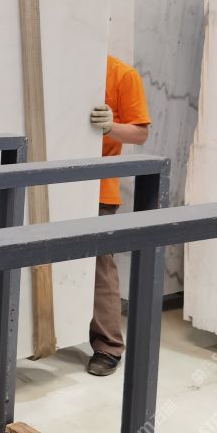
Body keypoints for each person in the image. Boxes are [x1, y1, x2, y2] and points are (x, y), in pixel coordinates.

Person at [87, 54, 150, 376]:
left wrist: (111, 127)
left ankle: (108, 346)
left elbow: (139, 133)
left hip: (98, 186)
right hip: (48, 184)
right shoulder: (57, 64)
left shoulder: (121, 74)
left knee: (100, 265)